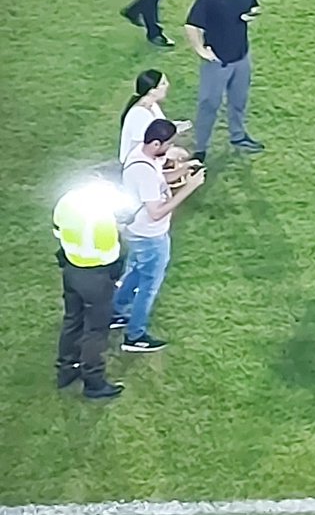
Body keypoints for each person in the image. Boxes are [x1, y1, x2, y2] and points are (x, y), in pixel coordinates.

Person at [111, 119, 206, 351]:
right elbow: (156, 212)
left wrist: (184, 170)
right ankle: (135, 336)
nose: (170, 149)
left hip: (139, 233)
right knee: (149, 285)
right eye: (167, 144)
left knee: (134, 273)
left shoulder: (143, 156)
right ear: (155, 143)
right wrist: (189, 187)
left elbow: (160, 182)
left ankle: (115, 312)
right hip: (150, 236)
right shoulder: (144, 171)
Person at [52, 181, 136, 399]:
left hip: (71, 270)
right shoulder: (101, 217)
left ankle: (66, 370)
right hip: (96, 277)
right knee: (95, 330)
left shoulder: (67, 201)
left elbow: (57, 230)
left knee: (72, 320)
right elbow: (110, 254)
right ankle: (93, 382)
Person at [184, 0, 265, 163]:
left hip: (241, 57)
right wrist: (201, 50)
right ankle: (200, 149)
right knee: (209, 104)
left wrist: (251, 15)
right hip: (218, 62)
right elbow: (191, 25)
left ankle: (238, 136)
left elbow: (252, 8)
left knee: (239, 100)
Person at [119, 70, 192, 166]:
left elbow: (161, 128)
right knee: (181, 157)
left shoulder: (153, 105)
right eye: (163, 83)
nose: (167, 85)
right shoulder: (139, 114)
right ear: (152, 91)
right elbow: (143, 147)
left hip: (152, 153)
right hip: (137, 162)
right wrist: (167, 154)